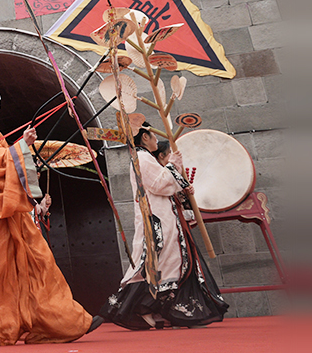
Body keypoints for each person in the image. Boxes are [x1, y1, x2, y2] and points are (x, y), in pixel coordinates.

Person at [0, 72, 100, 347]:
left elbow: (4, 162)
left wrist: (21, 149)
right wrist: (21, 146)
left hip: (11, 212)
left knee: (38, 262)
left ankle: (61, 323)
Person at [98, 124, 228, 330]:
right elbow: (159, 184)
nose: (156, 140)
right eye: (153, 136)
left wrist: (182, 189)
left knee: (169, 264)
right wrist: (173, 165)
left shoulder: (145, 158)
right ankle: (142, 307)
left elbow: (165, 187)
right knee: (158, 264)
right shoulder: (142, 158)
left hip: (163, 218)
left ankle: (160, 311)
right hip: (156, 221)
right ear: (144, 137)